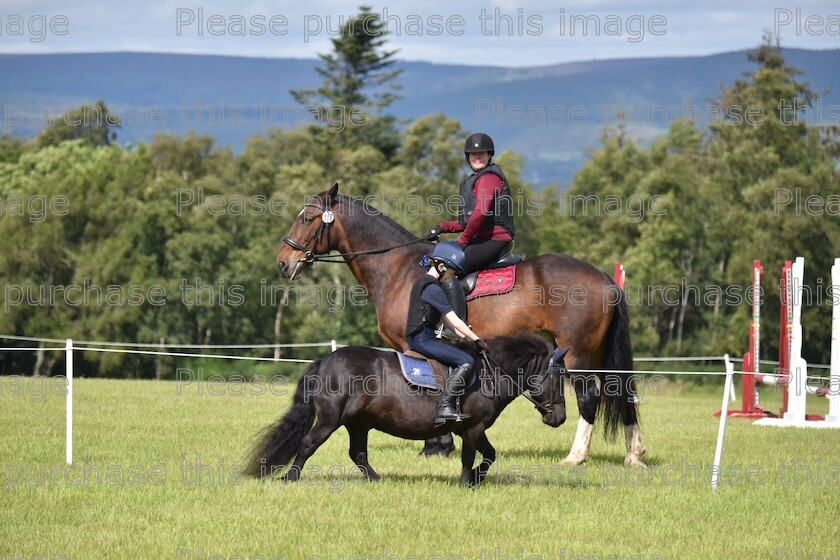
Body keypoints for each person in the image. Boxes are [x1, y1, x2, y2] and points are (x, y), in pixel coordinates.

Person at [421, 132, 515, 321]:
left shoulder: (489, 178)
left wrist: (462, 242)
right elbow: (467, 221)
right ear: (468, 158)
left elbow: (480, 214)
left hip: (495, 238)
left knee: (446, 268)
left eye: (482, 153)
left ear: (490, 156)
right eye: (473, 154)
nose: (477, 157)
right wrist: (442, 227)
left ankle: (457, 326)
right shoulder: (476, 179)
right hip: (483, 237)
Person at [406, 241, 489, 423]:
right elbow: (455, 321)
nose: (451, 276)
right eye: (451, 272)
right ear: (441, 266)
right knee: (467, 361)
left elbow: (448, 322)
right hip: (424, 340)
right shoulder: (433, 288)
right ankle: (445, 406)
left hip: (421, 338)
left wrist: (463, 336)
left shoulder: (423, 283)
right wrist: (477, 340)